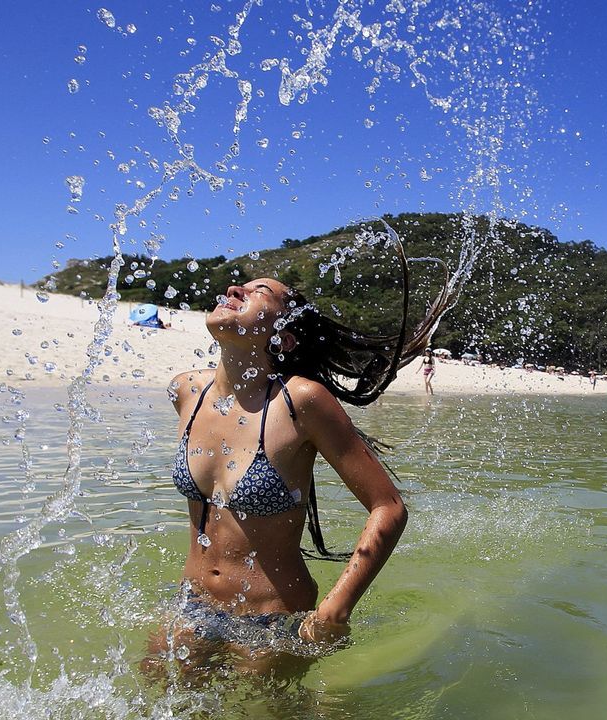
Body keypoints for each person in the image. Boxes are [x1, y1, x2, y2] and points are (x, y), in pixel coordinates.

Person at [148, 235, 453, 678]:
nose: (234, 291)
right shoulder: (186, 391)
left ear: (284, 337)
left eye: (259, 292)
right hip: (191, 605)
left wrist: (335, 609)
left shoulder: (303, 401)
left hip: (273, 619)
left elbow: (388, 507)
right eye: (238, 287)